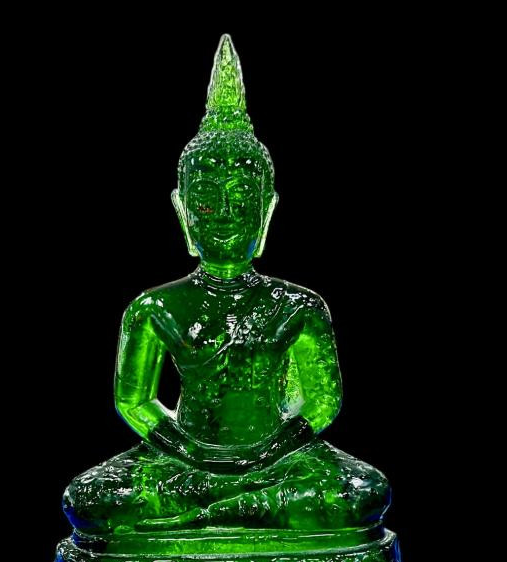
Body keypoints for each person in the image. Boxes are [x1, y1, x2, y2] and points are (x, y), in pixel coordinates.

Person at [63, 35, 390, 536]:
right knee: (90, 499)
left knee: (360, 491)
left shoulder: (298, 306)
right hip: (186, 460)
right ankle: (246, 510)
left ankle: (212, 513)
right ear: (182, 212)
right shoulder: (154, 307)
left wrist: (267, 452)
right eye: (207, 200)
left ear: (268, 211)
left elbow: (321, 402)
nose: (226, 216)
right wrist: (192, 452)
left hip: (277, 459)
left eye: (242, 199)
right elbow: (134, 401)